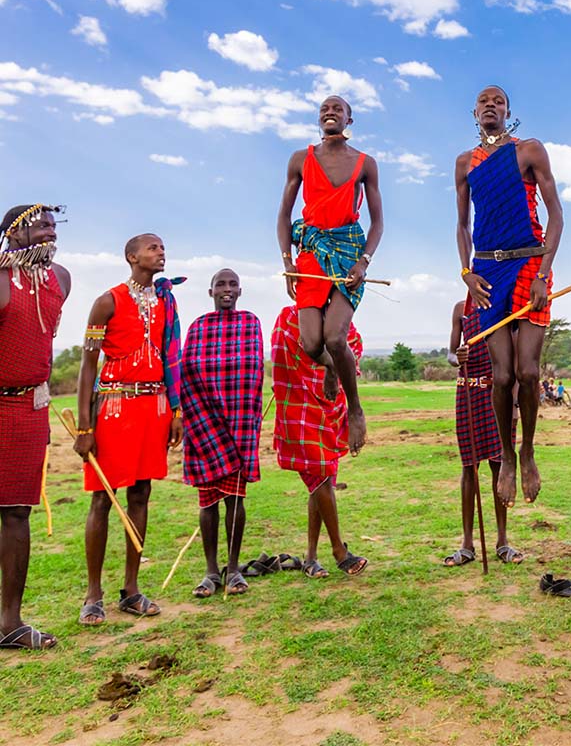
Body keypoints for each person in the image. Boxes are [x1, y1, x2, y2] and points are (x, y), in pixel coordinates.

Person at [455, 84, 564, 506]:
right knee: (501, 376)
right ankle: (505, 452)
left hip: (529, 264)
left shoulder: (529, 150)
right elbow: (462, 224)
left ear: (508, 111)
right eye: (483, 101)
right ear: (474, 112)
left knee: (529, 373)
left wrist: (544, 272)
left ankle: (529, 450)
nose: (490, 106)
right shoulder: (465, 162)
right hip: (486, 270)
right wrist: (466, 271)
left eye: (498, 101)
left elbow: (556, 214)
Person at [74, 234, 184, 625]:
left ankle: (132, 590)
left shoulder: (166, 302)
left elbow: (173, 356)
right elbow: (88, 366)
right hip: (114, 408)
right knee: (103, 499)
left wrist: (176, 410)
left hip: (153, 407)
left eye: (163, 247)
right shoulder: (107, 302)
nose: (161, 252)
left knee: (141, 494)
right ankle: (93, 595)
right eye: (153, 247)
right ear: (131, 256)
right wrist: (84, 425)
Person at [277, 94, 383, 460]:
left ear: (349, 120)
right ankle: (332, 369)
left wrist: (364, 263)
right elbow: (283, 215)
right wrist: (287, 260)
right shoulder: (300, 160)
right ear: (318, 119)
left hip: (350, 251)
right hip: (310, 253)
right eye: (325, 109)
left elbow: (378, 221)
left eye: (338, 109)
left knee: (336, 336)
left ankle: (355, 410)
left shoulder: (365, 164)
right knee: (311, 344)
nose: (330, 113)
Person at [0, 204, 70, 650]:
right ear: (14, 232)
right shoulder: (1, 279)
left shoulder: (59, 278)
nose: (50, 230)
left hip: (31, 407)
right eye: (40, 224)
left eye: (52, 224)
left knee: (17, 512)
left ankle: (10, 622)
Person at [181, 269, 264, 598]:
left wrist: (240, 414)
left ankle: (233, 568)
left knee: (235, 498)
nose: (226, 290)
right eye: (220, 285)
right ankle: (211, 570)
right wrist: (202, 415)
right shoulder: (198, 327)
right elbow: (186, 372)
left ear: (240, 291)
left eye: (232, 285)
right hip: (204, 422)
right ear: (210, 291)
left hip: (240, 420)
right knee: (208, 501)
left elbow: (253, 369)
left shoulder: (250, 323)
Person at [271, 305, 367, 577]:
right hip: (298, 407)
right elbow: (282, 363)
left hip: (329, 410)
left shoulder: (340, 325)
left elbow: (351, 356)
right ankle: (339, 551)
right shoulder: (289, 319)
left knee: (320, 479)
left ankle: (311, 557)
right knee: (321, 478)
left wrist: (333, 371)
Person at [443, 299, 522, 567]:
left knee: (500, 467)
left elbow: (514, 362)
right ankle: (467, 544)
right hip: (467, 392)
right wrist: (457, 358)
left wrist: (514, 405)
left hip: (498, 394)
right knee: (469, 468)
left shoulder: (506, 308)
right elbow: (451, 353)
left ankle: (502, 541)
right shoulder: (461, 309)